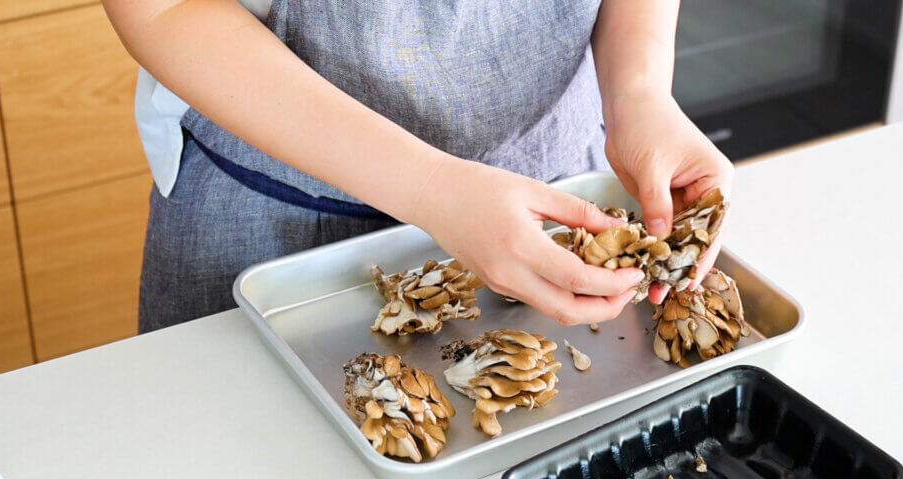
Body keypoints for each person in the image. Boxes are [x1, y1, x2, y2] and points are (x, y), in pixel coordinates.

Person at [102, 0, 733, 333]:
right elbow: (163, 6)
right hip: (277, 231)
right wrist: (432, 187)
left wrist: (640, 90)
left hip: (565, 207)